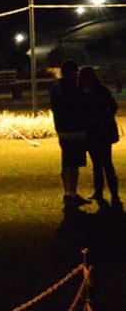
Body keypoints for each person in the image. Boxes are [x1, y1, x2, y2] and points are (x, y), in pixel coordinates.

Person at [49, 60, 89, 209]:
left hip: (63, 130)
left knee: (66, 162)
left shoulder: (55, 88)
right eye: (76, 72)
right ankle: (72, 193)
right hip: (75, 130)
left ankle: (68, 192)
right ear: (71, 73)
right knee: (73, 164)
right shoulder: (73, 88)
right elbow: (79, 106)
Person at [79, 66, 120, 208]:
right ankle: (99, 192)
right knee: (97, 164)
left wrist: (105, 118)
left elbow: (113, 107)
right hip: (92, 132)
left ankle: (113, 192)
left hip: (102, 131)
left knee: (106, 163)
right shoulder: (83, 93)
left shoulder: (101, 91)